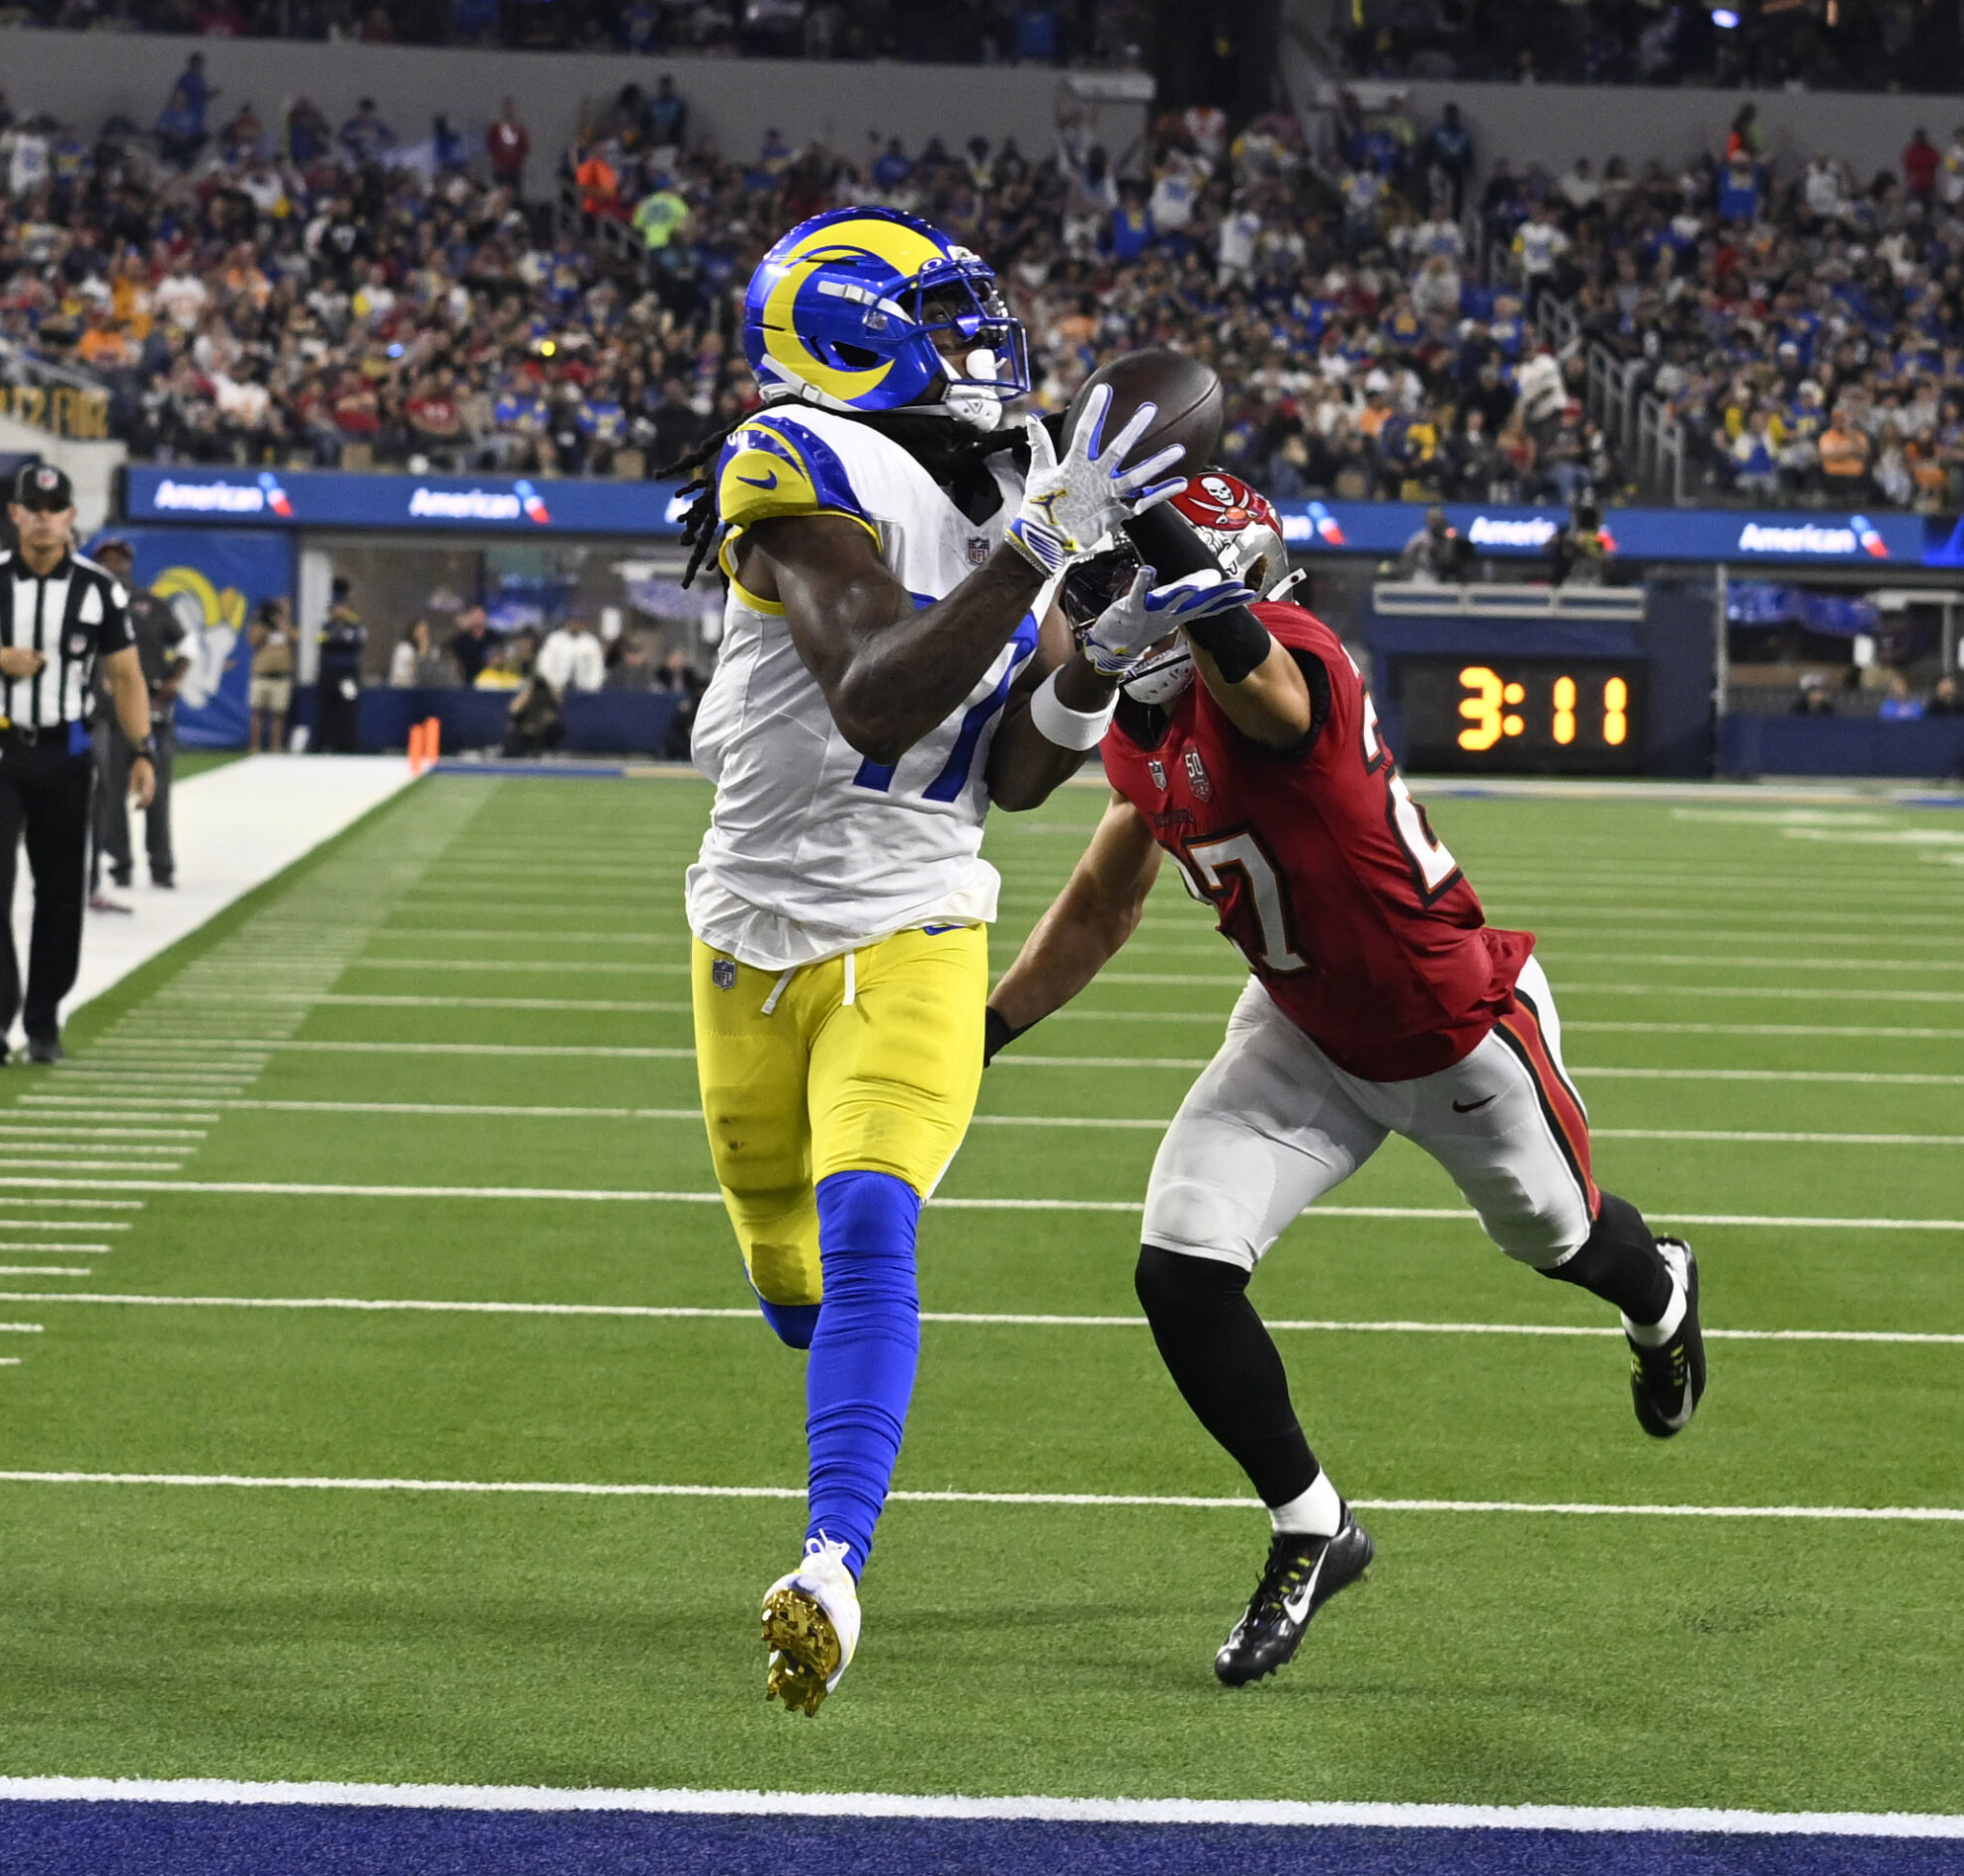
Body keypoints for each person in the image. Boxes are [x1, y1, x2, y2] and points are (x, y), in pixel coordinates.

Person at [983, 471, 1703, 1688]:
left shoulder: (1291, 664)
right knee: (1181, 1259)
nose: (1123, 602)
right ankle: (1311, 1520)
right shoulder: (1145, 726)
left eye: (1148, 581)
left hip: (1450, 1027)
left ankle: (1662, 1295)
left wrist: (1163, 515)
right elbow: (1109, 894)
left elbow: (1252, 676)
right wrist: (986, 1029)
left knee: (1563, 1238)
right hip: (1301, 1023)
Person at [668, 205, 1191, 1717]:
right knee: (791, 1281)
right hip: (755, 926)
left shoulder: (1021, 469)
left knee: (875, 1219)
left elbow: (1016, 776)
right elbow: (882, 701)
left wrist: (1100, 654)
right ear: (842, 334)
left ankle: (832, 1560)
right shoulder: (790, 460)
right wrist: (1036, 548)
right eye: (945, 313)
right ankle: (830, 1432)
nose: (987, 343)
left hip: (921, 916)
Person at [0, 463, 155, 1066]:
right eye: (34, 507)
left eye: (56, 508)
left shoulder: (99, 588)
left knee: (59, 889)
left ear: (71, 516)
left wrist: (143, 751)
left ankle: (45, 1016)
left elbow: (126, 675)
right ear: (16, 513)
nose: (45, 518)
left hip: (67, 749)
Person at [87, 536, 185, 897]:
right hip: (107, 714)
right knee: (110, 791)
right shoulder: (87, 604)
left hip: (152, 708)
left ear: (129, 563)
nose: (114, 566)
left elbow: (185, 644)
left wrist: (173, 681)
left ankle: (161, 864)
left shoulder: (151, 604)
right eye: (106, 560)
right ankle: (121, 864)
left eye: (119, 559)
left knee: (156, 789)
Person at [314, 584, 365, 752]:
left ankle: (348, 745)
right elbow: (322, 642)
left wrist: (338, 640)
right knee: (327, 708)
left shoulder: (355, 626)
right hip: (329, 672)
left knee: (348, 708)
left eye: (343, 608)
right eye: (337, 608)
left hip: (348, 673)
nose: (340, 611)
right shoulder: (326, 627)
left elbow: (357, 642)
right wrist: (339, 639)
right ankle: (325, 744)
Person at [246, 598, 294, 752]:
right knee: (257, 712)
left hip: (280, 676)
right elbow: (252, 642)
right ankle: (255, 746)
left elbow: (294, 637)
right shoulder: (259, 627)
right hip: (261, 675)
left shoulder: (284, 628)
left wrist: (283, 620)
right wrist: (263, 626)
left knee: (278, 713)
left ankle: (276, 746)